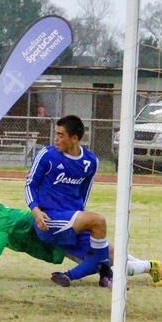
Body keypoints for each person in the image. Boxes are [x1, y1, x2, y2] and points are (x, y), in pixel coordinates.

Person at [0, 192, 162, 287]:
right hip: (56, 238)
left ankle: (150, 266)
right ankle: (152, 265)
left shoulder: (1, 222)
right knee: (106, 254)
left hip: (58, 238)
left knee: (103, 261)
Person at [25, 115, 113, 288]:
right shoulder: (46, 155)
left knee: (110, 254)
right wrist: (36, 211)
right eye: (55, 134)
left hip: (73, 219)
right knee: (99, 221)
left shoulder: (91, 161)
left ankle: (67, 276)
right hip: (49, 219)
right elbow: (29, 185)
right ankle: (107, 274)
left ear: (74, 138)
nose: (55, 139)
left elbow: (84, 193)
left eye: (60, 135)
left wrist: (81, 217)